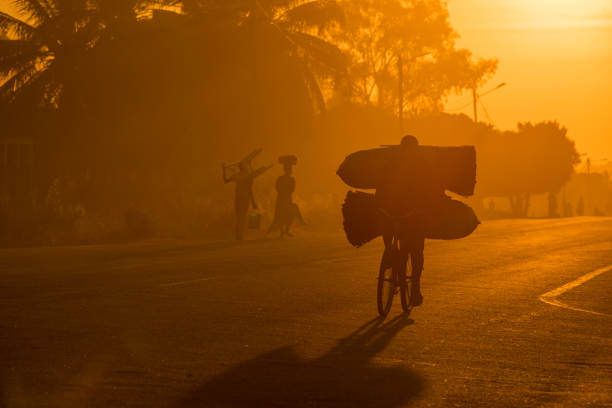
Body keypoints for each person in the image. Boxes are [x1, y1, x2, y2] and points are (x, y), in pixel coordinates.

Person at [375, 135, 445, 306]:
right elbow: (382, 186)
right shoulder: (396, 165)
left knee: (415, 250)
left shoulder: (420, 166)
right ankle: (391, 253)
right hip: (397, 211)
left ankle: (414, 286)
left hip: (414, 212)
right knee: (411, 248)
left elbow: (430, 188)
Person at [223, 157, 271, 240]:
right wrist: (253, 202)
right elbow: (250, 189)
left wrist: (223, 170)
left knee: (239, 217)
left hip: (238, 199)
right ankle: (240, 235)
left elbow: (225, 181)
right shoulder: (247, 176)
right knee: (242, 217)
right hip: (244, 199)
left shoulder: (237, 175)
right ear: (244, 167)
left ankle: (238, 235)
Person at [268, 155, 305, 238]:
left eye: (290, 169)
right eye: (289, 169)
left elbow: (292, 189)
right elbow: (277, 188)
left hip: (287, 198)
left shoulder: (291, 179)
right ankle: (282, 231)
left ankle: (286, 230)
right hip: (281, 198)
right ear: (286, 170)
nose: (290, 171)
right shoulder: (280, 178)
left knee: (289, 214)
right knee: (281, 214)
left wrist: (285, 191)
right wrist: (284, 191)